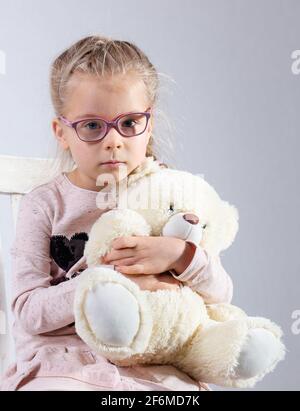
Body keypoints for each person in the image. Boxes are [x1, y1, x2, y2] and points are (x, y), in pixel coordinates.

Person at [0, 35, 233, 391]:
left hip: (151, 367)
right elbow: (30, 312)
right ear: (61, 132)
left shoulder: (165, 195)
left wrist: (180, 255)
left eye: (128, 123)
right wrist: (107, 279)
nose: (114, 141)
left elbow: (221, 294)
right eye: (92, 126)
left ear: (148, 123)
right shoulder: (44, 204)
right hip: (62, 366)